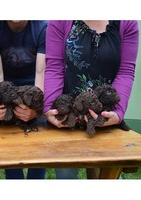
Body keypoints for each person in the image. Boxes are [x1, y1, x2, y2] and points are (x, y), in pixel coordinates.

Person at [44, 20, 139, 179]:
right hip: (69, 119)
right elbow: (55, 66)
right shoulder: (60, 19)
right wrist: (50, 108)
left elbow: (126, 71)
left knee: (108, 178)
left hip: (105, 116)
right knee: (66, 176)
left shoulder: (126, 21)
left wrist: (117, 112)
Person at [0, 20, 47, 179]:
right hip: (7, 90)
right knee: (9, 145)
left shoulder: (42, 28)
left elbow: (41, 73)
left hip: (33, 90)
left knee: (38, 143)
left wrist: (37, 109)